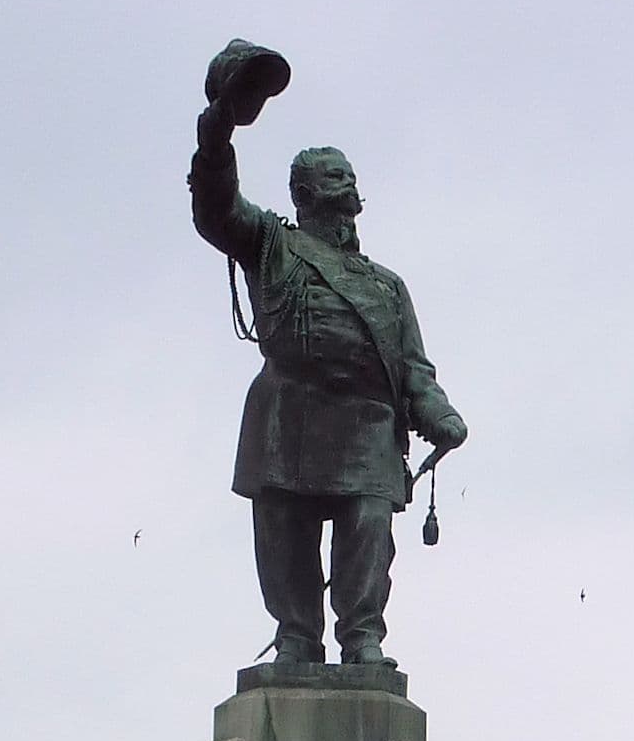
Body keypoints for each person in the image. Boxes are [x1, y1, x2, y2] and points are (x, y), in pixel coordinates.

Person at [188, 43, 466, 669]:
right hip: (290, 408)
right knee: (284, 530)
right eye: (335, 177)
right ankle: (296, 637)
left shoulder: (387, 284)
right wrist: (217, 135)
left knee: (369, 525)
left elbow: (413, 367)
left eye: (351, 177)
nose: (351, 186)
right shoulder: (269, 244)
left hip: (367, 424)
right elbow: (215, 208)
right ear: (304, 192)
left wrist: (439, 412)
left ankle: (362, 635)